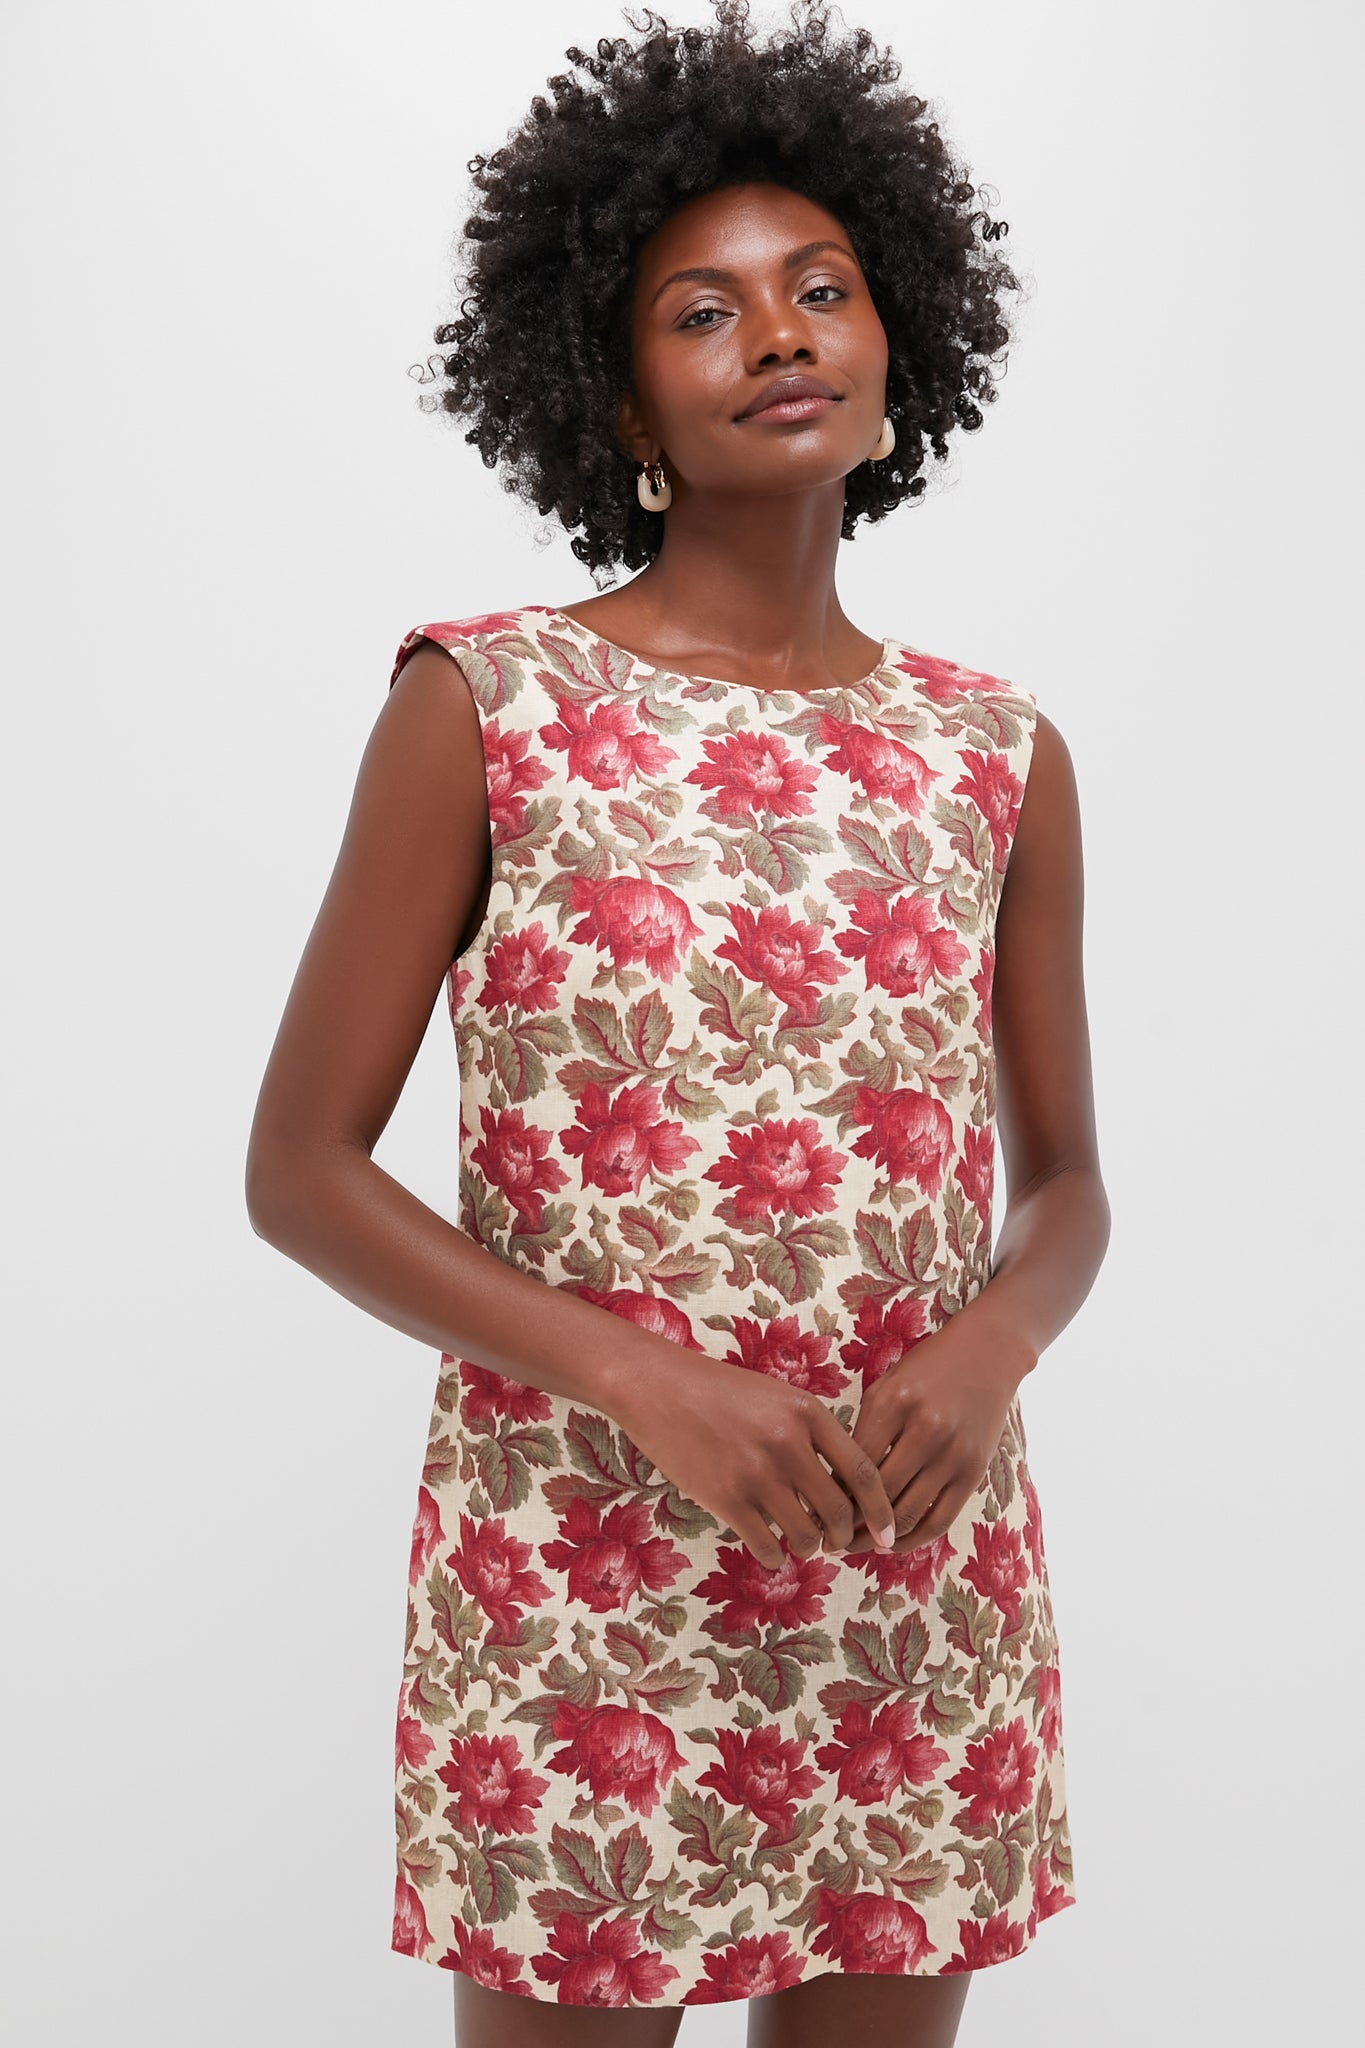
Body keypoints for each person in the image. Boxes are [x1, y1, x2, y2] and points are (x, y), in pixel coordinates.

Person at [245, 3, 1111, 2041]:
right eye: (700, 311)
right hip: (586, 1566)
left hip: (908, 1564)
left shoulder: (992, 750)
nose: (778, 333)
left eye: (820, 286)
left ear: (897, 345)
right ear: (613, 394)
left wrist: (992, 1344)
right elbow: (298, 1171)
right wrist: (642, 1382)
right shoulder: (485, 706)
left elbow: (1066, 1182)